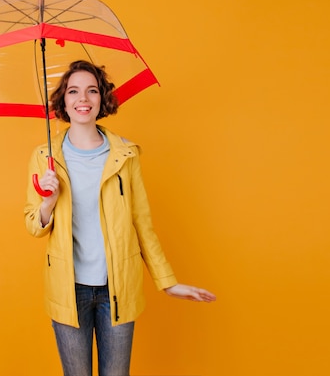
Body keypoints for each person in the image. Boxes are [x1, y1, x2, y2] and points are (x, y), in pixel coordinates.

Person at [24, 60, 216, 376]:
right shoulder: (44, 157)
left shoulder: (125, 154)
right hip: (67, 290)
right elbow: (33, 224)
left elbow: (142, 222)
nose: (82, 99)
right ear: (63, 101)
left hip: (118, 288)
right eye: (73, 91)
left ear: (102, 99)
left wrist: (167, 283)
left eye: (92, 91)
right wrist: (49, 202)